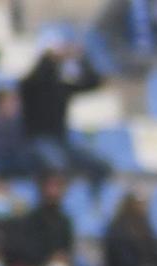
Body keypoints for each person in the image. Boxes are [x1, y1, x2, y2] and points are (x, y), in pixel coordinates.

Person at [18, 36, 111, 182]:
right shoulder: (32, 86)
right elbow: (35, 78)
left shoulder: (62, 87)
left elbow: (95, 82)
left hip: (61, 140)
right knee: (57, 166)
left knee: (101, 166)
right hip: (37, 140)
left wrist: (81, 58)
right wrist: (49, 57)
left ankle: (93, 202)